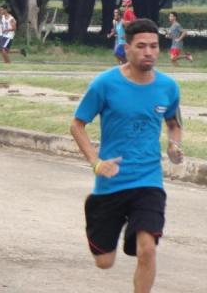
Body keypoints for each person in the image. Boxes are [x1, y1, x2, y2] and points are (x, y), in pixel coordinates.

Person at [70, 18, 183, 293]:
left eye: (154, 46)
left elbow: (174, 123)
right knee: (104, 262)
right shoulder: (105, 84)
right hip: (111, 182)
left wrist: (174, 145)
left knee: (147, 250)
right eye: (141, 46)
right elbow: (77, 125)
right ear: (127, 48)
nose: (149, 52)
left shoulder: (168, 87)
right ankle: (94, 208)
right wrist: (96, 162)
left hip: (148, 180)